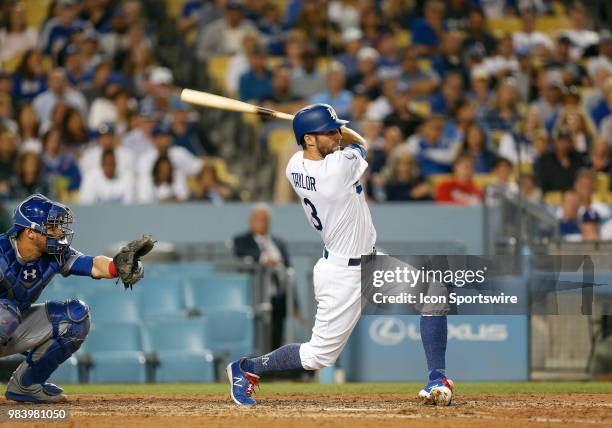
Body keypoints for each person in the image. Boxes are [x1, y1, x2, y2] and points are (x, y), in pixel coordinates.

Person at [227, 104, 453, 406]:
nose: (336, 136)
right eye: (329, 131)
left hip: (372, 262)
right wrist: (339, 133)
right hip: (342, 275)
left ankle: (437, 379)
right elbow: (361, 143)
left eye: (336, 130)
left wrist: (323, 128)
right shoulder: (336, 169)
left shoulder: (294, 164)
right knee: (317, 356)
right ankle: (247, 368)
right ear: (309, 139)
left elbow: (340, 142)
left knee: (433, 293)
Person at [0, 194, 153, 403]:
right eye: (52, 226)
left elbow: (92, 265)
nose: (60, 231)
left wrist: (116, 266)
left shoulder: (56, 254)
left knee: (76, 316)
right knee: (6, 313)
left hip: (13, 325)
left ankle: (27, 385)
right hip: (4, 320)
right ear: (30, 232)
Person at [233, 204, 293, 350]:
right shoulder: (242, 240)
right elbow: (241, 253)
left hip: (278, 296)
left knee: (277, 334)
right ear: (251, 220)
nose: (261, 223)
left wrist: (295, 303)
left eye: (265, 219)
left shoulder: (279, 243)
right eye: (258, 219)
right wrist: (264, 258)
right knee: (259, 335)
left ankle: (275, 367)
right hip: (256, 297)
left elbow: (289, 270)